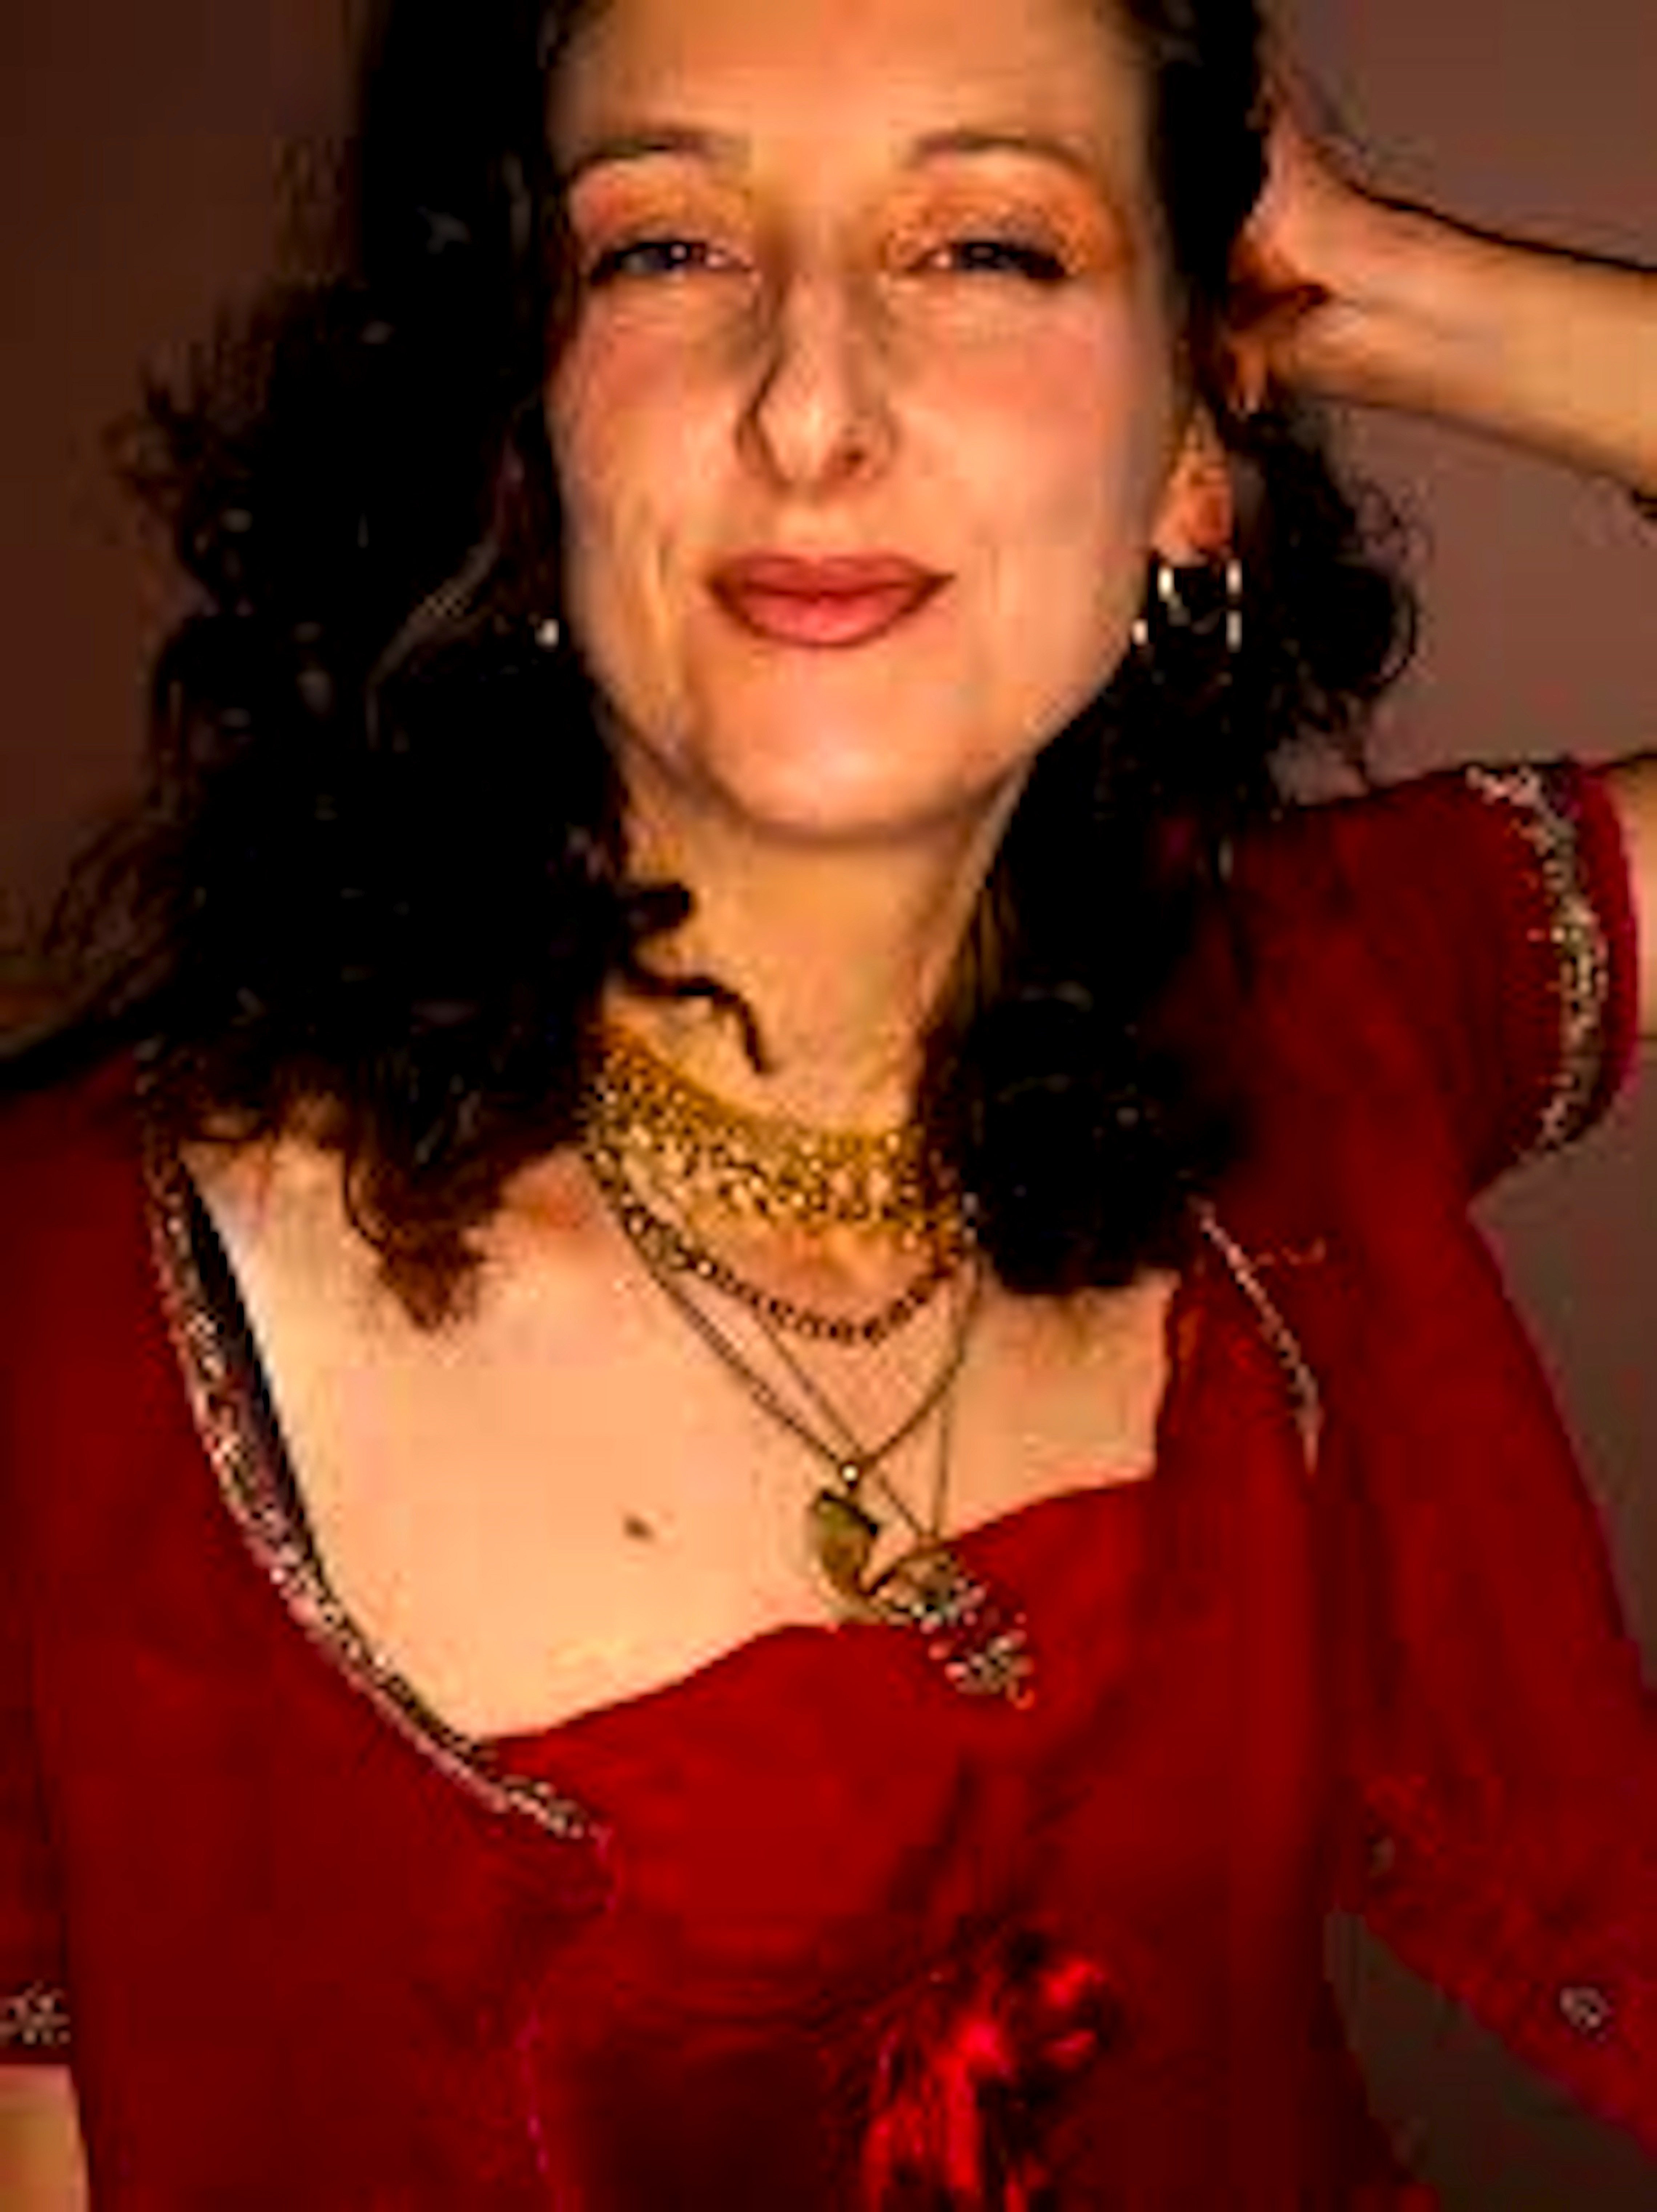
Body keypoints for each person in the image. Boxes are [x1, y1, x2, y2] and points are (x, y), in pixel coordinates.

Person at [1, 0, 1654, 2199]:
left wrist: (1389, 288)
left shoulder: (1299, 1035)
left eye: (986, 247)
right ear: (534, 437)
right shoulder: (69, 1354)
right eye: (666, 249)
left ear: (1190, 455)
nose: (805, 408)